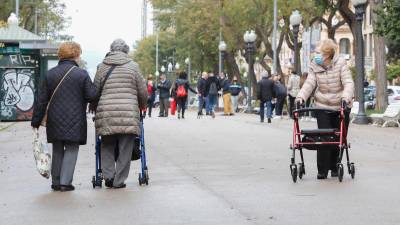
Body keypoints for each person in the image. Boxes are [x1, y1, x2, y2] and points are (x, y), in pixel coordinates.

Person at [31, 41, 97, 192]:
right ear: (75, 55)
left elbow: (41, 100)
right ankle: (65, 183)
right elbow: (91, 95)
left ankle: (56, 182)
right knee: (72, 148)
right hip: (75, 118)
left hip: (54, 119)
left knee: (58, 148)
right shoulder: (81, 74)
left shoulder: (50, 74)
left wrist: (35, 121)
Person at [92, 39, 148, 188]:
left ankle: (109, 176)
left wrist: (93, 106)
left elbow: (95, 91)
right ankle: (119, 181)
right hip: (128, 112)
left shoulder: (102, 66)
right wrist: (143, 105)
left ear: (111, 49)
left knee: (107, 144)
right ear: (126, 50)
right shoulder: (133, 66)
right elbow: (142, 91)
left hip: (106, 113)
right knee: (125, 147)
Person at [296, 39, 354, 180]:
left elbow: (348, 82)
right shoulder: (315, 65)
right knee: (324, 138)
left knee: (338, 137)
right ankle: (322, 170)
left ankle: (335, 166)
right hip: (322, 105)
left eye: (318, 52)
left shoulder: (340, 63)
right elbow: (309, 83)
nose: (315, 55)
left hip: (341, 105)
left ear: (327, 54)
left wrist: (346, 98)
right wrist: (300, 97)